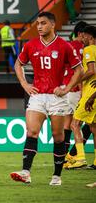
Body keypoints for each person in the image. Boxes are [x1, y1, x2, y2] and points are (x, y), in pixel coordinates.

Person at [11, 12, 83, 186]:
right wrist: (25, 84)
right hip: (37, 96)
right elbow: (18, 64)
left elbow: (79, 70)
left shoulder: (64, 46)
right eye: (37, 24)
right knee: (31, 132)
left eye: (43, 23)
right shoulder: (31, 45)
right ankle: (26, 172)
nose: (39, 26)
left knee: (58, 137)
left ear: (52, 25)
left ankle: (57, 176)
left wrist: (66, 88)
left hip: (57, 98)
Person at [61, 21, 88, 168]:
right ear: (81, 33)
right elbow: (80, 72)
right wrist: (83, 91)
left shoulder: (67, 46)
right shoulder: (82, 48)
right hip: (76, 90)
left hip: (66, 88)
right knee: (82, 124)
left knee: (68, 125)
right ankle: (77, 156)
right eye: (86, 34)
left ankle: (66, 156)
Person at [69, 25, 96, 170]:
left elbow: (91, 71)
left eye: (85, 36)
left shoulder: (88, 50)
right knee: (94, 128)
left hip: (90, 93)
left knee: (75, 124)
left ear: (91, 37)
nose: (83, 39)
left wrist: (76, 80)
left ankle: (80, 158)